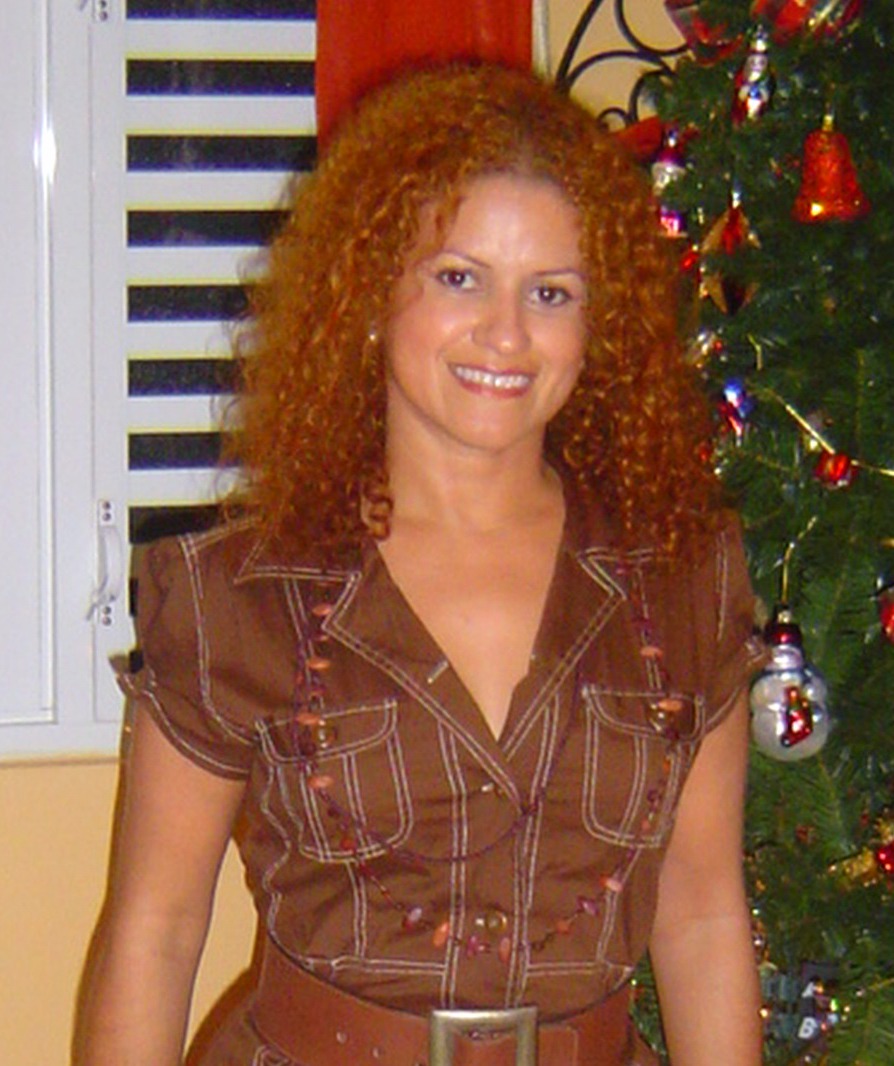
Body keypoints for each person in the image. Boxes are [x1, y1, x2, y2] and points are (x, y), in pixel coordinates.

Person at [76, 63, 765, 1066]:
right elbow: (157, 929)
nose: (506, 333)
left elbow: (701, 915)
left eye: (551, 292)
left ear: (597, 325)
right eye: (458, 277)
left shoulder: (682, 581)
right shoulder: (240, 597)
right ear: (370, 290)